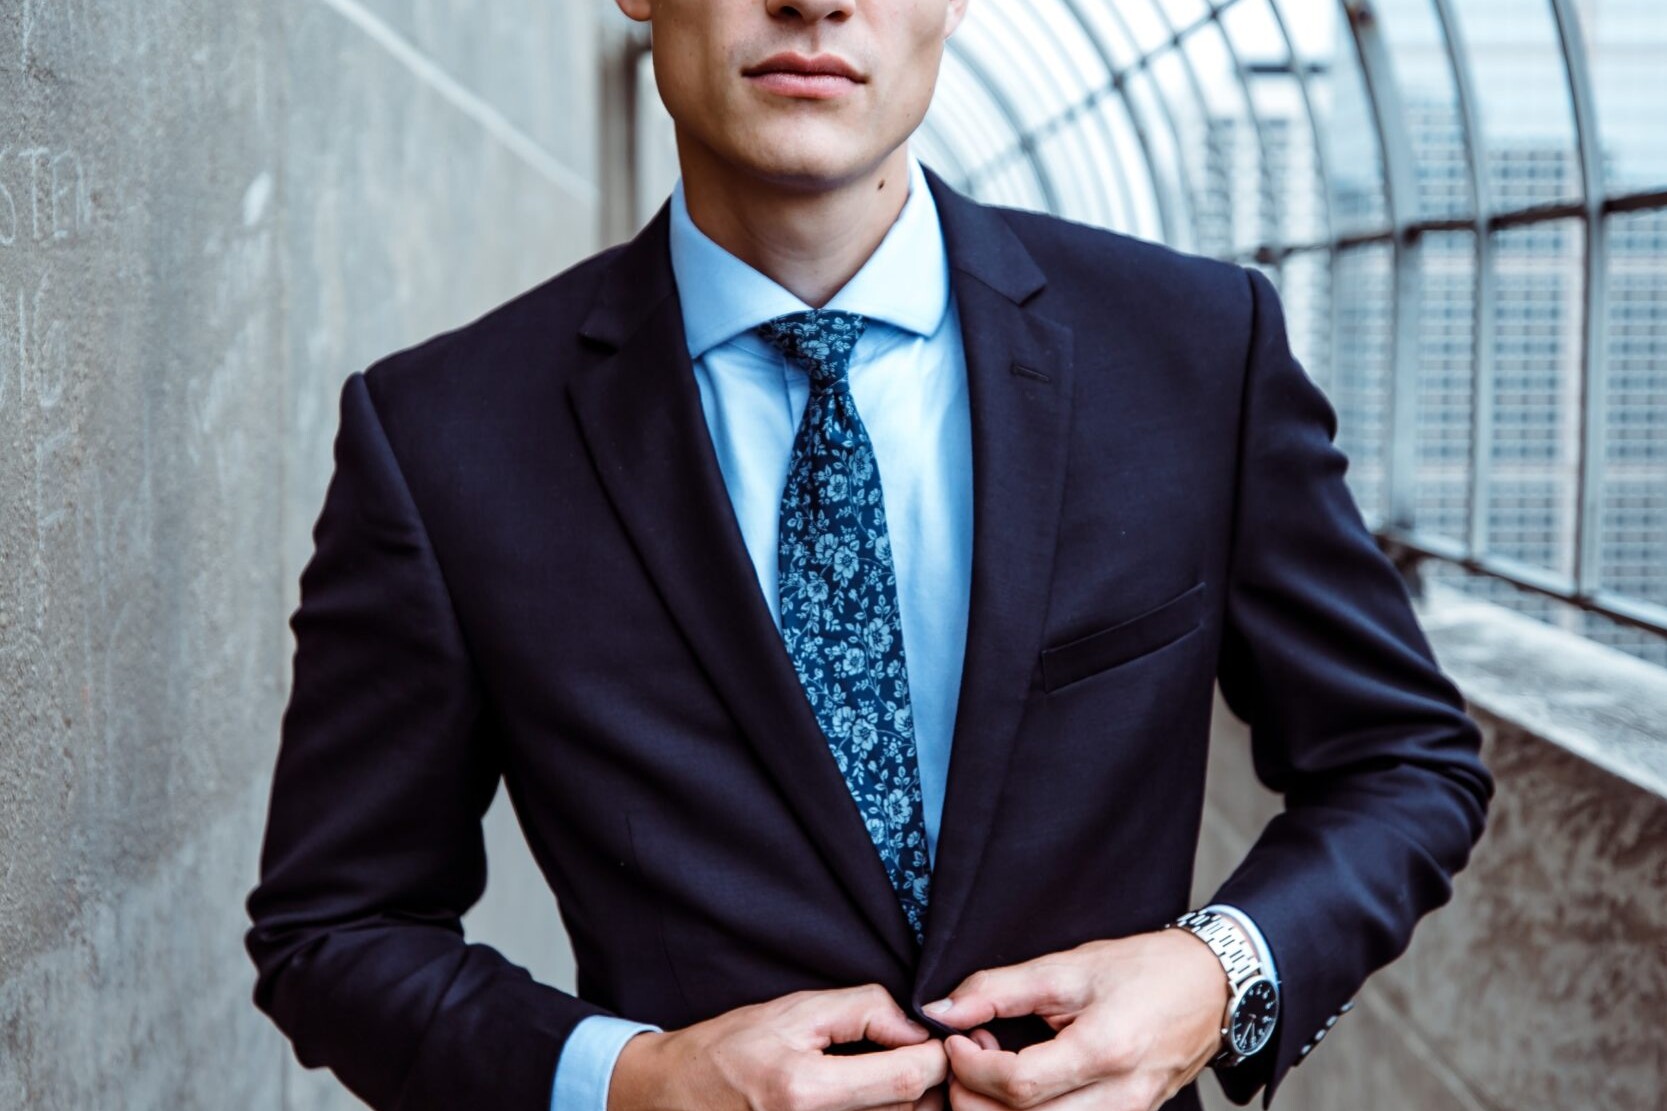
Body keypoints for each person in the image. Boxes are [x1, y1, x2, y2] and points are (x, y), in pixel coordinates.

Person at [243, 0, 1494, 1109]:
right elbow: (334, 925)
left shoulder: (1192, 351)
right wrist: (631, 1082)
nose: (814, 2)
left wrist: (1213, 972)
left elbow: (1402, 760)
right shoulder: (443, 434)